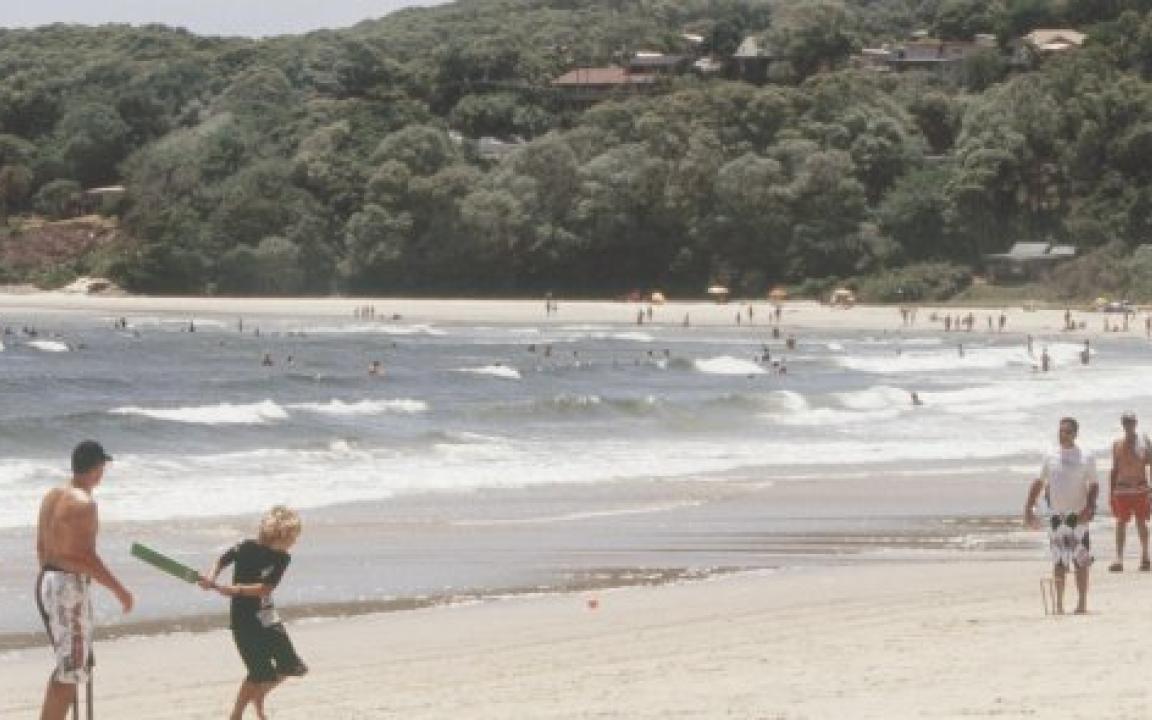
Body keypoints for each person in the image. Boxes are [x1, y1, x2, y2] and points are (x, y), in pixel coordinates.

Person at [36, 441, 134, 720]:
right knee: (71, 672)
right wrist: (120, 590)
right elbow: (87, 557)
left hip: (47, 580)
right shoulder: (85, 502)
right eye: (102, 466)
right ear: (96, 468)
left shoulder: (52, 496)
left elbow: (42, 548)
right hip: (66, 585)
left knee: (69, 667)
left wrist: (50, 585)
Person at [200, 506, 307, 720]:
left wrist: (236, 589)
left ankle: (258, 697)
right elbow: (222, 560)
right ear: (278, 535)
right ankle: (236, 714)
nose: (293, 543)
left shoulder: (282, 558)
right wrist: (211, 577)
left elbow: (265, 588)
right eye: (292, 538)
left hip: (268, 617)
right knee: (259, 672)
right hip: (243, 621)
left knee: (293, 666)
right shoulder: (246, 547)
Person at [1023, 417, 1099, 614]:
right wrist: (1028, 508)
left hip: (1078, 516)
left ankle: (1082, 603)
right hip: (1057, 517)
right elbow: (1039, 482)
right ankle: (1059, 605)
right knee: (1058, 561)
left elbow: (1094, 484)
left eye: (1066, 431)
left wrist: (1090, 507)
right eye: (1060, 430)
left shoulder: (1086, 456)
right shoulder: (1050, 455)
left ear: (1075, 434)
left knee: (1080, 560)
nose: (1062, 434)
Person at [1109, 412, 1151, 572]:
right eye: (1126, 422)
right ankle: (1118, 559)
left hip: (1140, 488)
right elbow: (1114, 469)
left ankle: (1145, 557)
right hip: (1122, 489)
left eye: (1131, 422)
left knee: (1141, 522)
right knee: (1120, 523)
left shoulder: (1143, 442)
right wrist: (1111, 492)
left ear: (1136, 423)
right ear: (1122, 424)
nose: (1128, 425)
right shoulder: (1117, 444)